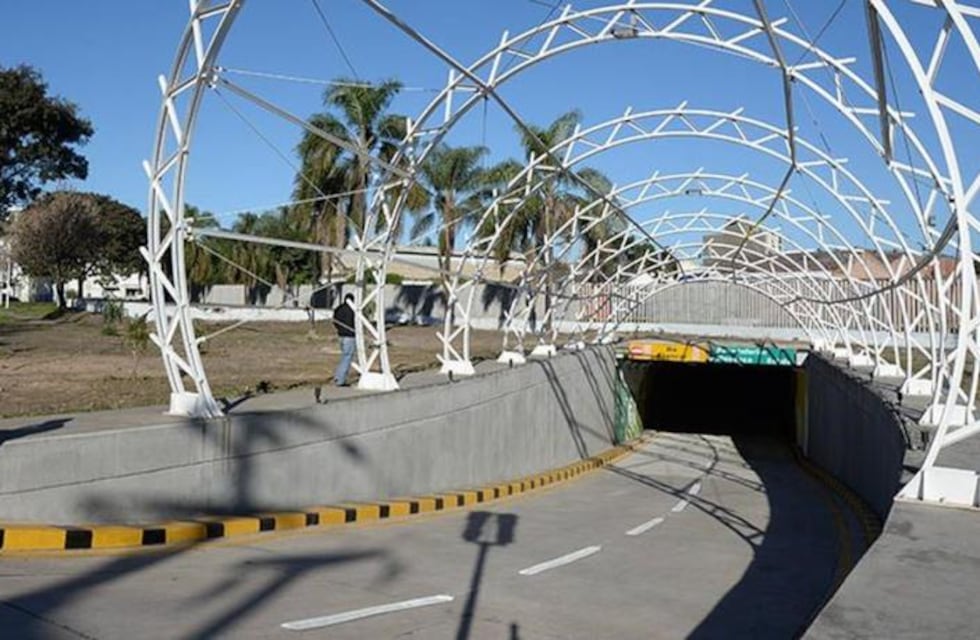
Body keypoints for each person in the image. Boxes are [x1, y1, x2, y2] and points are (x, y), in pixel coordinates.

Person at [332, 293, 356, 386]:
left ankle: (338, 377)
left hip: (341, 335)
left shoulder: (338, 308)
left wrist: (339, 329)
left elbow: (335, 321)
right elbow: (355, 322)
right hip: (349, 336)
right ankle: (340, 380)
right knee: (347, 357)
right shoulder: (353, 310)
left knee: (344, 357)